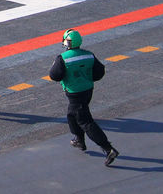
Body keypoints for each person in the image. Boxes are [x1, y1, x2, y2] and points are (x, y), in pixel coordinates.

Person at [48, 29, 119, 166]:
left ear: (67, 43)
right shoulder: (89, 55)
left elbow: (54, 75)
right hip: (87, 91)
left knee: (85, 122)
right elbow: (99, 72)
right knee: (71, 115)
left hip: (74, 94)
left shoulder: (63, 58)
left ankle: (108, 148)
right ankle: (79, 140)